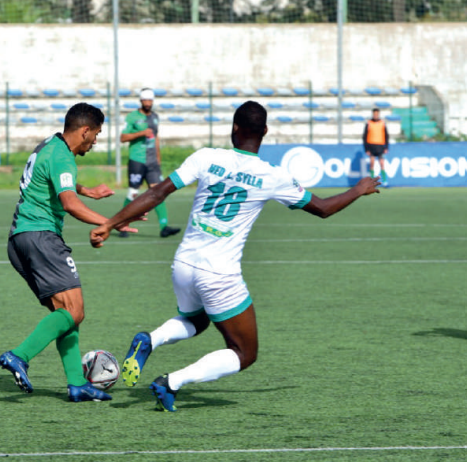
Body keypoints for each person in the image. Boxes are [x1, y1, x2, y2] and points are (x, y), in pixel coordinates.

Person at [90, 101, 381, 412]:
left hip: (184, 265)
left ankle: (151, 339)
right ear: (265, 132)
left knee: (196, 319)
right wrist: (358, 189)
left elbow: (157, 192)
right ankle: (172, 382)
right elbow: (323, 209)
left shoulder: (206, 157)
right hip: (219, 274)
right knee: (244, 352)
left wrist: (110, 223)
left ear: (234, 128)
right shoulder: (273, 175)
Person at [0, 103, 141, 403]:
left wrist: (86, 191)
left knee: (66, 314)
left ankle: (77, 384)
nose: (96, 141)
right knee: (75, 311)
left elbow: (56, 180)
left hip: (20, 240)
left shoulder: (50, 145)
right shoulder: (64, 156)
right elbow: (69, 204)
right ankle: (19, 356)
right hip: (41, 237)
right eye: (97, 135)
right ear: (85, 130)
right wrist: (112, 222)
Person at [118, 88, 180, 238]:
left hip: (152, 163)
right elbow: (123, 137)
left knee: (159, 192)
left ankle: (164, 226)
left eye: (150, 100)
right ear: (140, 101)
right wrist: (141, 133)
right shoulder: (132, 117)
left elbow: (156, 138)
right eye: (145, 100)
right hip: (137, 161)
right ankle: (122, 225)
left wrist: (158, 158)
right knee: (133, 193)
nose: (148, 103)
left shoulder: (155, 117)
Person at [363, 108, 389, 187]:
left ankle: (385, 181)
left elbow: (386, 135)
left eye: (377, 114)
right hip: (371, 146)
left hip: (380, 146)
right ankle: (372, 182)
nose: (376, 115)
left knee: (382, 164)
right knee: (372, 164)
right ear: (373, 114)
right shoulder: (369, 123)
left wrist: (386, 147)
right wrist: (366, 148)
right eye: (374, 114)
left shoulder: (382, 123)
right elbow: (365, 136)